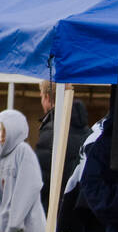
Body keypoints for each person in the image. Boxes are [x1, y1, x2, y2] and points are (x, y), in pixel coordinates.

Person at [0, 109, 45, 232]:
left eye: (5, 131)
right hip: (6, 231)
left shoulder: (23, 152)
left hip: (28, 229)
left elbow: (28, 188)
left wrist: (15, 225)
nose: (1, 136)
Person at [33, 79, 91, 214]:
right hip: (77, 209)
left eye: (41, 96)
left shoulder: (51, 131)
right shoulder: (87, 131)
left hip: (54, 210)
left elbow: (42, 179)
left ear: (47, 98)